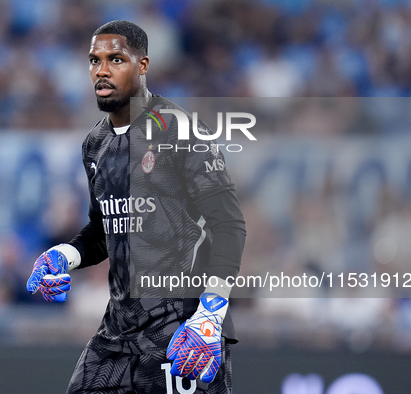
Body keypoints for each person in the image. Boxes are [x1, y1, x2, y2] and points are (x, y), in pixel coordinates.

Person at [27, 20, 246, 394]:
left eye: (116, 59)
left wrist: (210, 315)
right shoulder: (95, 144)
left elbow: (229, 225)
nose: (102, 70)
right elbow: (104, 230)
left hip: (184, 327)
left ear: (142, 65)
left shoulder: (179, 130)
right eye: (94, 60)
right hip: (118, 334)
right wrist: (66, 254)